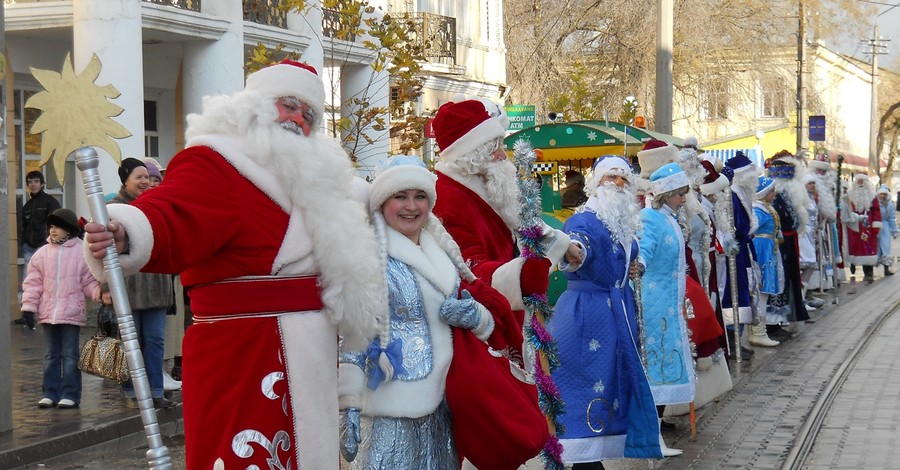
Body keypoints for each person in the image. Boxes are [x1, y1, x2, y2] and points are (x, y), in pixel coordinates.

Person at [85, 60, 385, 470]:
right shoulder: (218, 161)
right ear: (254, 106)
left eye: (308, 113)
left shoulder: (329, 183)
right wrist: (127, 230)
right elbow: (172, 212)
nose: (297, 119)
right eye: (288, 105)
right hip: (243, 348)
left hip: (315, 349)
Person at [339, 156, 500, 469]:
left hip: (444, 404)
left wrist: (476, 317)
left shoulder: (443, 251)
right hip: (390, 408)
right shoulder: (368, 257)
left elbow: (478, 318)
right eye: (400, 196)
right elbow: (353, 335)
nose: (411, 206)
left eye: (420, 196)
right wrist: (349, 407)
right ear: (383, 201)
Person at [430, 97, 582, 369]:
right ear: (472, 154)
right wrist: (522, 276)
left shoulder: (481, 184)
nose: (503, 154)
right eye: (495, 147)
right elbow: (466, 265)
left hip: (506, 312)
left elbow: (522, 223)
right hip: (482, 322)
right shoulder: (450, 197)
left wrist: (561, 243)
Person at [550, 156, 661, 468]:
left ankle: (591, 457)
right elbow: (577, 245)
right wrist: (575, 251)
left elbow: (623, 256)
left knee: (609, 383)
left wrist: (632, 266)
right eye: (611, 177)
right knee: (584, 385)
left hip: (616, 313)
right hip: (587, 317)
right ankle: (583, 459)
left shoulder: (620, 221)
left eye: (624, 178)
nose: (619, 184)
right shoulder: (584, 220)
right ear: (596, 182)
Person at [103, 157, 175, 410]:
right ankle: (131, 390)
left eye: (147, 177)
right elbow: (101, 252)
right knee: (130, 342)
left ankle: (156, 391)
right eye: (139, 177)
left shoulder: (157, 205)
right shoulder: (113, 210)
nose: (145, 181)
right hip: (128, 287)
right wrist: (105, 288)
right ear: (125, 179)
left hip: (156, 284)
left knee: (155, 340)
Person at [638, 162, 696, 457]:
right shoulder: (651, 218)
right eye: (679, 193)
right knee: (657, 368)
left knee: (664, 366)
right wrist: (641, 264)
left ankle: (655, 432)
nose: (684, 198)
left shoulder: (670, 218)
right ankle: (651, 436)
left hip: (669, 303)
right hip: (655, 303)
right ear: (666, 193)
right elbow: (644, 248)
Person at [21, 208, 101, 408]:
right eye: (51, 227)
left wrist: (99, 293)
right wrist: (29, 307)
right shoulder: (42, 254)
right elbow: (33, 283)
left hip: (71, 313)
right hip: (48, 313)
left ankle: (71, 394)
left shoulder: (81, 252)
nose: (53, 231)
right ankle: (50, 392)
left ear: (69, 230)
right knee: (50, 355)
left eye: (58, 227)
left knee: (70, 355)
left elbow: (88, 280)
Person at [719, 152, 762, 356]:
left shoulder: (744, 193)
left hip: (744, 250)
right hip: (736, 252)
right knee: (736, 293)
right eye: (751, 173)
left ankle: (737, 338)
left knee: (745, 292)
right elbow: (732, 226)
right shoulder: (734, 195)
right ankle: (732, 340)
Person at [765, 151, 810, 339]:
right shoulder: (776, 197)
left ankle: (780, 320)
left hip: (788, 241)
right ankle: (772, 324)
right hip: (779, 244)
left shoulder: (789, 196)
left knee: (787, 280)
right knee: (779, 281)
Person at [16, 170, 61, 326]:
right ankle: (27, 314)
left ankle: (49, 312)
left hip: (46, 247)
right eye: (30, 181)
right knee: (28, 281)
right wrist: (22, 244)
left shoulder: (50, 202)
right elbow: (23, 226)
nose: (33, 184)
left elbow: (57, 223)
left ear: (42, 184)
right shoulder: (27, 206)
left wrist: (52, 243)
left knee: (48, 280)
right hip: (29, 247)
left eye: (36, 181)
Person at [752, 177, 784, 341]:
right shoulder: (758, 210)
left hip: (769, 248)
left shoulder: (766, 208)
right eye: (772, 191)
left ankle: (759, 331)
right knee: (761, 289)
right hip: (762, 250)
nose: (774, 193)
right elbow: (751, 228)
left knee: (763, 291)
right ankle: (759, 332)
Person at [843, 173, 882, 283]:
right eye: (858, 181)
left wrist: (876, 224)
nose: (860, 183)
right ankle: (853, 264)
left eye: (862, 181)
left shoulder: (872, 195)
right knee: (854, 245)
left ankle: (868, 269)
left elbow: (876, 210)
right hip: (854, 224)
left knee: (868, 246)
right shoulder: (849, 195)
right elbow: (847, 209)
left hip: (867, 224)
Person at [876, 185, 898, 276]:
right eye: (881, 194)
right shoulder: (874, 203)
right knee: (876, 248)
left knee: (886, 247)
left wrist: (894, 231)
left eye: (884, 194)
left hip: (885, 227)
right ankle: (869, 270)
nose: (883, 196)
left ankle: (886, 268)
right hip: (876, 227)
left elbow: (892, 218)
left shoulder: (890, 205)